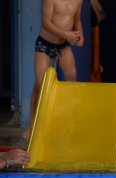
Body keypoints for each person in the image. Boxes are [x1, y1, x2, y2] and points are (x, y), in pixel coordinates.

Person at [23, 0, 84, 142]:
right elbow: (46, 23)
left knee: (72, 74)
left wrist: (80, 34)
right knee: (40, 83)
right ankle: (32, 125)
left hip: (62, 45)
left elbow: (77, 20)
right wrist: (65, 34)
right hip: (45, 43)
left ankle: (68, 120)